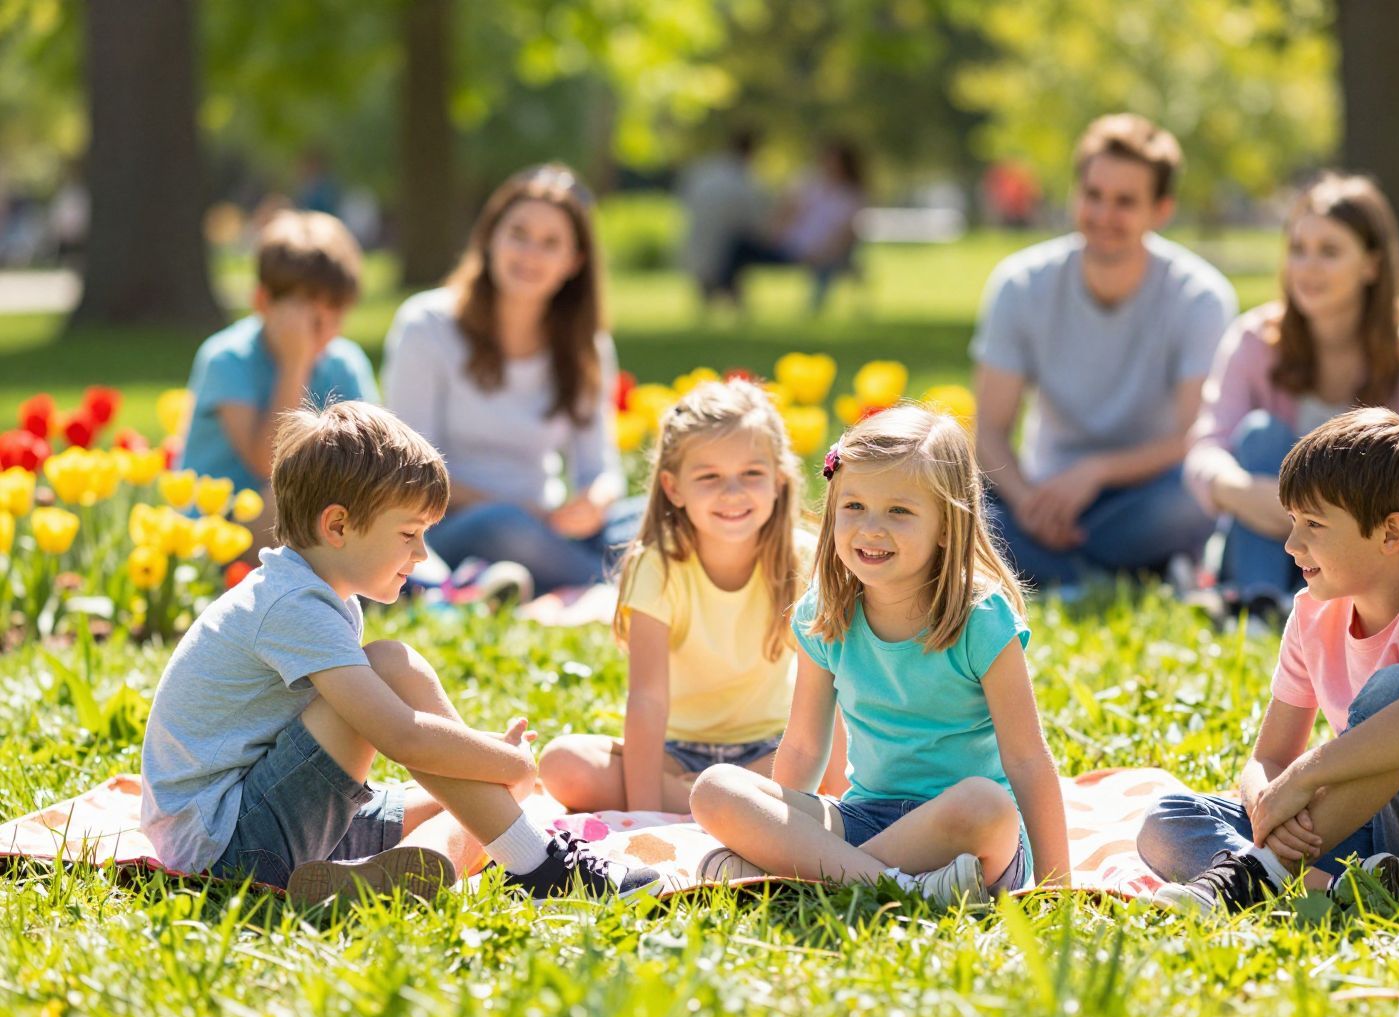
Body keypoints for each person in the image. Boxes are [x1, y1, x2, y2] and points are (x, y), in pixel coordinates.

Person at [140, 401, 661, 904]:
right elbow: (400, 736)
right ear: (338, 526)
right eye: (409, 533)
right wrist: (505, 760)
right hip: (229, 847)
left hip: (256, 821)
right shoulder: (293, 605)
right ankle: (541, 868)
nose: (421, 554)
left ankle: (401, 870)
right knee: (390, 667)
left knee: (476, 800)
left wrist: (488, 771)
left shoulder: (314, 593)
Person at [1138, 409, 1399, 914]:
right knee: (1168, 819)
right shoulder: (1312, 613)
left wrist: (1304, 778)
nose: (1291, 544)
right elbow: (1269, 756)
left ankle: (1257, 874)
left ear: (1391, 534)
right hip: (1375, 836)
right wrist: (1266, 798)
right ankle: (1341, 896)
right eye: (1292, 521)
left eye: (1314, 525)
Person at [689, 406, 1071, 908]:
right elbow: (803, 747)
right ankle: (894, 888)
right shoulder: (823, 613)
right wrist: (782, 820)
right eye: (853, 506)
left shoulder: (981, 618)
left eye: (899, 511)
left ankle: (814, 880)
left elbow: (1025, 757)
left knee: (986, 804)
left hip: (963, 834)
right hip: (864, 819)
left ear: (945, 525)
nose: (871, 528)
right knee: (714, 789)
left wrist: (1057, 886)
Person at [540, 380, 843, 812]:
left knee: (830, 761)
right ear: (673, 486)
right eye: (709, 477)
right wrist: (643, 815)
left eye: (751, 474)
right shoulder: (658, 566)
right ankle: (725, 809)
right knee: (563, 764)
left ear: (778, 480)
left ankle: (712, 803)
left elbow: (833, 685)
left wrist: (840, 797)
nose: (732, 493)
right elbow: (647, 700)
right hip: (675, 752)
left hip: (771, 754)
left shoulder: (802, 557)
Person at [972, 113, 1237, 587]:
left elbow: (1194, 435)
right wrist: (1028, 502)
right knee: (958, 498)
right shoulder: (1020, 285)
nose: (1103, 215)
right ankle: (1118, 569)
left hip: (1149, 493)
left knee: (1196, 496)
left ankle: (1052, 569)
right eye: (1093, 195)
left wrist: (1097, 471)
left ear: (1161, 210)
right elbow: (989, 431)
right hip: (1042, 493)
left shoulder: (1199, 296)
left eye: (1125, 202)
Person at [1184, 173, 1399, 620]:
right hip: (1269, 537)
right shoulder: (1255, 340)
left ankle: (1310, 607)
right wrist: (1239, 490)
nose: (1307, 267)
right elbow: (1205, 448)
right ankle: (1259, 604)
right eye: (1298, 250)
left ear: (1371, 265)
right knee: (1261, 434)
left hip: (1358, 554)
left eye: (1329, 252)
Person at [381, 164, 628, 594]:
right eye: (518, 234)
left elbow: (599, 468)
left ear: (574, 261)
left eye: (551, 243)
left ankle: (595, 579)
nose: (530, 254)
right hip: (450, 524)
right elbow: (408, 471)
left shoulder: (586, 344)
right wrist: (524, 511)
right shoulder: (427, 326)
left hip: (549, 526)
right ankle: (616, 586)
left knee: (653, 518)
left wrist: (595, 501)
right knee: (506, 527)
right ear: (489, 237)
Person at [179, 211, 378, 550]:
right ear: (262, 302)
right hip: (225, 527)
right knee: (288, 506)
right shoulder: (228, 359)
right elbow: (269, 465)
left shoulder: (344, 362)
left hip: (317, 517)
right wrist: (294, 362)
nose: (324, 331)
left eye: (336, 314)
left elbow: (372, 462)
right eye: (311, 317)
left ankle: (424, 580)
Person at [716, 139, 867, 313]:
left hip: (821, 254)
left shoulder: (852, 196)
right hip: (787, 248)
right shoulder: (809, 184)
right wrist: (771, 235)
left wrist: (820, 254)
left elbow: (846, 236)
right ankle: (731, 299)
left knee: (829, 265)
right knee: (739, 245)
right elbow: (783, 214)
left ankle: (814, 310)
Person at [678, 128, 770, 309]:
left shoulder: (705, 170)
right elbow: (753, 218)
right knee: (730, 257)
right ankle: (729, 298)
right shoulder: (744, 179)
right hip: (725, 242)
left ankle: (717, 297)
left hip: (700, 238)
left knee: (712, 265)